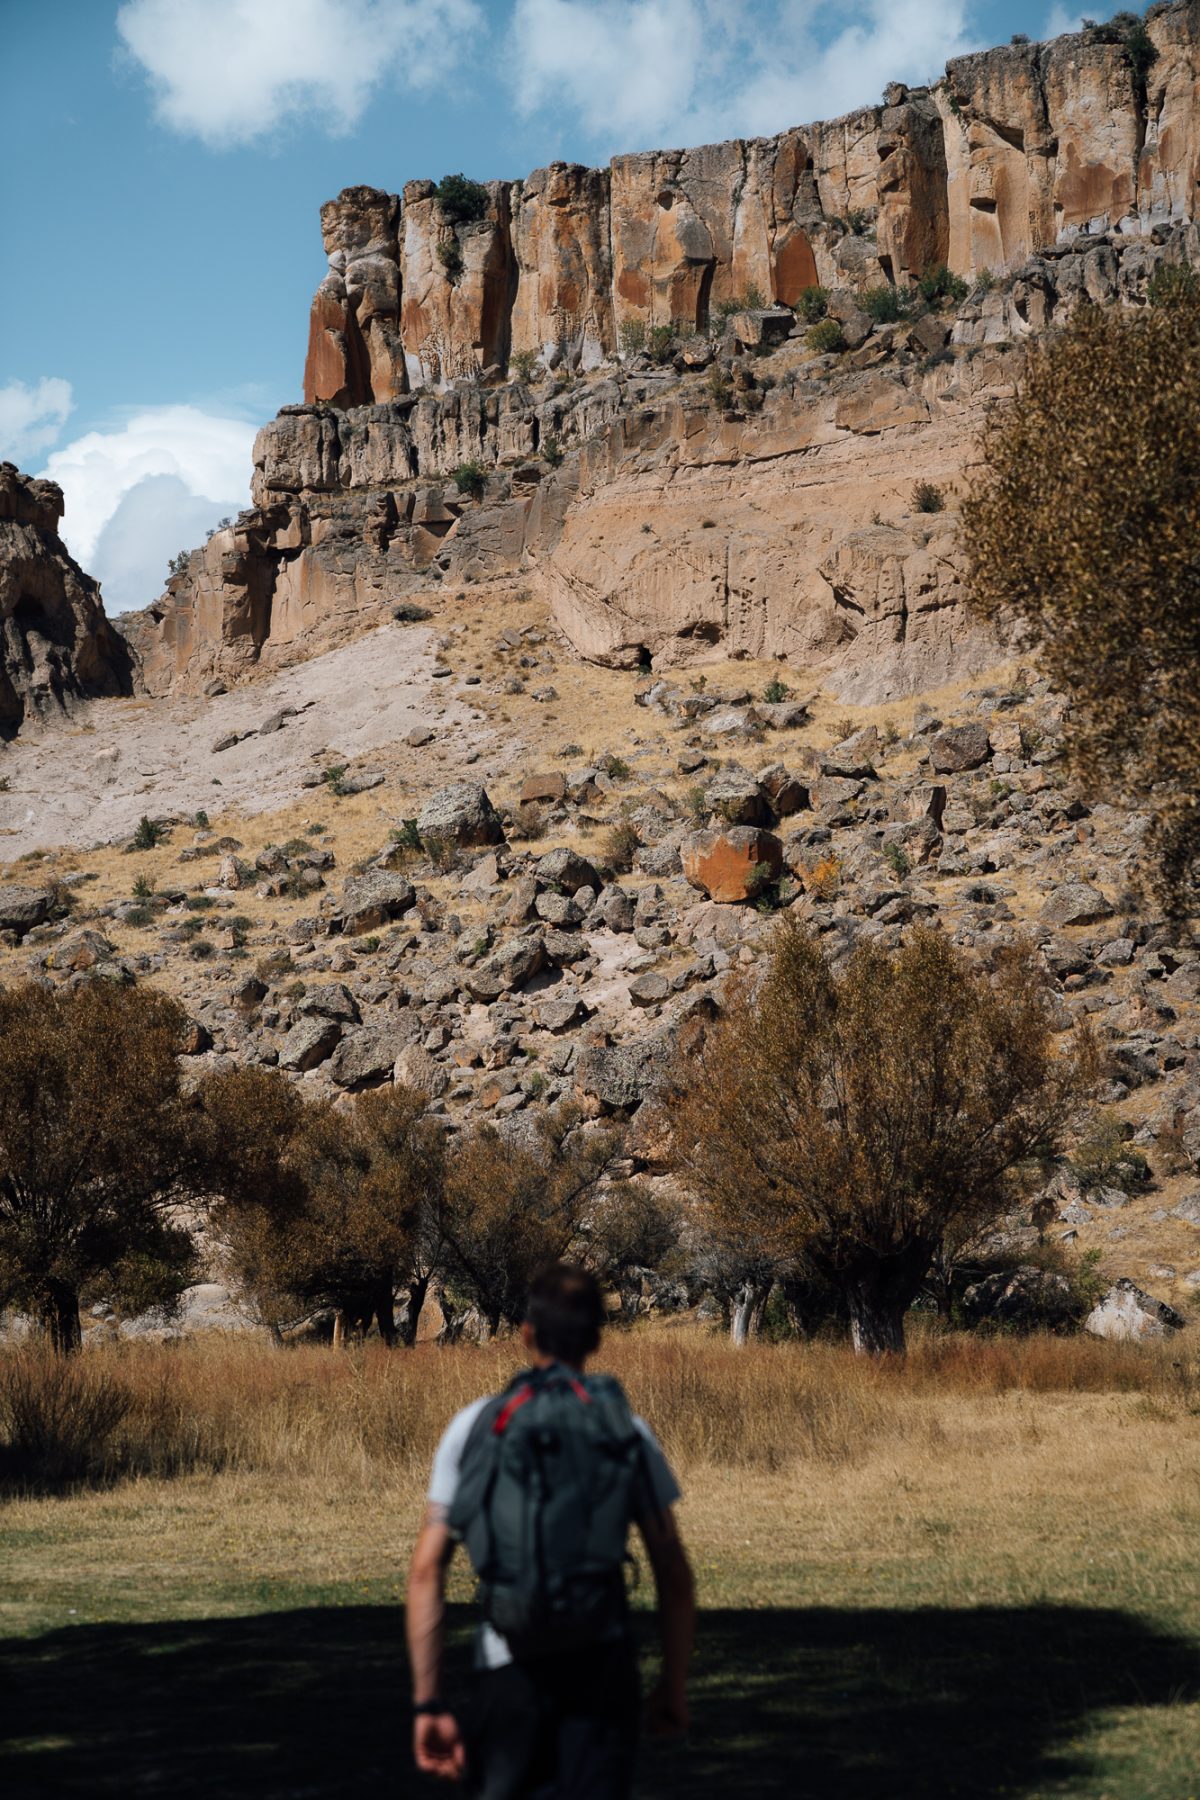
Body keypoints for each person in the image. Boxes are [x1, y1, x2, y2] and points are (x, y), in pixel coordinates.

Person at [406, 1264, 695, 1797]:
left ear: (526, 1334)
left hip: (506, 1668)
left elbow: (426, 1571)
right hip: (601, 1669)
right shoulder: (624, 1430)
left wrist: (429, 1703)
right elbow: (673, 1572)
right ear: (596, 1340)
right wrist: (672, 1686)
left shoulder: (476, 1425)